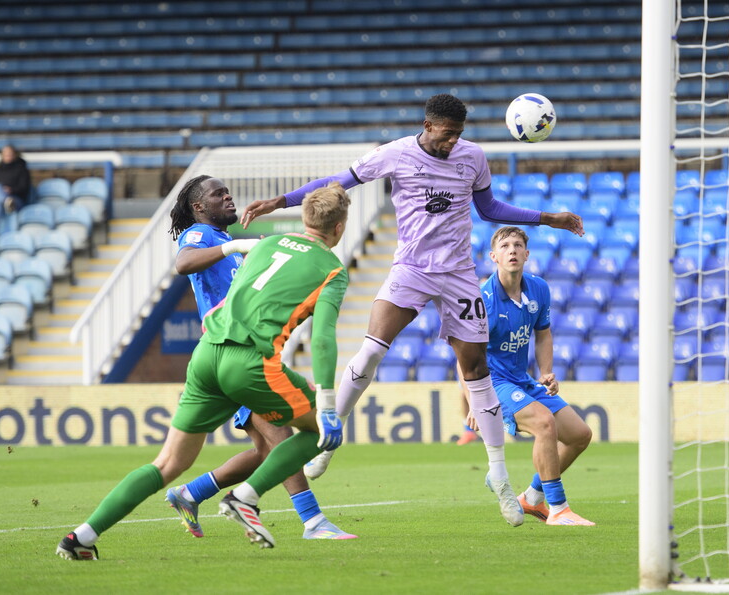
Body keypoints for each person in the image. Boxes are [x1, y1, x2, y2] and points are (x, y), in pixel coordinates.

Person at [240, 93, 583, 526]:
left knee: (475, 369)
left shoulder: (472, 157)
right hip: (411, 269)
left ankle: (498, 476)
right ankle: (327, 443)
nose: (452, 142)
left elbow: (489, 208)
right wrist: (279, 202)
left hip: (458, 273)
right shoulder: (395, 154)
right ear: (428, 125)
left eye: (459, 134)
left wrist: (547, 218)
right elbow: (337, 183)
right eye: (446, 134)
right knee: (370, 350)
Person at [56, 182, 352, 560]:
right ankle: (250, 500)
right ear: (339, 228)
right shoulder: (330, 269)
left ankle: (81, 536)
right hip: (249, 361)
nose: (227, 198)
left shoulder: (262, 245)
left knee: (167, 464)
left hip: (207, 354)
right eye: (218, 194)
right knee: (319, 430)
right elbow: (323, 340)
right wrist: (326, 402)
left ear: (304, 215)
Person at [162, 175, 355, 540]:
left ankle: (191, 493)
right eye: (218, 194)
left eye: (227, 191)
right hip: (229, 350)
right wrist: (234, 248)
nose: (227, 197)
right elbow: (184, 263)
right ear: (199, 207)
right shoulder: (201, 236)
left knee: (267, 449)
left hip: (249, 351)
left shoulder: (234, 241)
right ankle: (311, 521)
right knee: (283, 439)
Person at [481, 226, 594, 526]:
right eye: (505, 246)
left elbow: (543, 334)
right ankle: (558, 509)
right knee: (545, 423)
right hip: (493, 383)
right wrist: (473, 401)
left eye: (518, 245)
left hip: (522, 378)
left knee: (579, 435)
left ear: (527, 254)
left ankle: (532, 498)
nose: (512, 250)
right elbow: (465, 355)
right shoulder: (484, 301)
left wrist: (546, 372)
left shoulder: (539, 289)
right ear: (494, 256)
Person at [0, 144, 31, 233]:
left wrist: (11, 190)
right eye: (5, 154)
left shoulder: (21, 168)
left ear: (14, 154)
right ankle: (6, 201)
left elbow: (24, 187)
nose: (8, 156)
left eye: (10, 154)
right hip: (3, 197)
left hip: (16, 199)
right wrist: (4, 191)